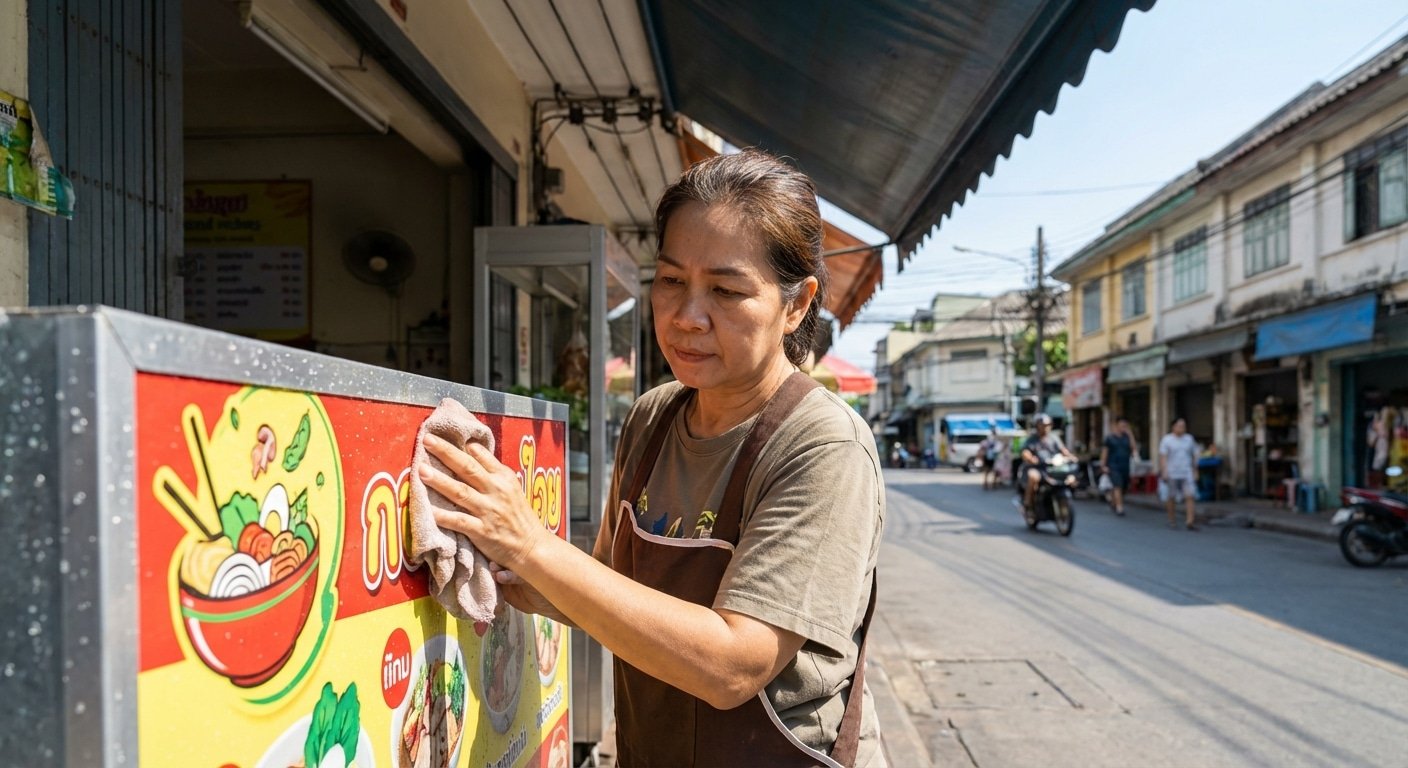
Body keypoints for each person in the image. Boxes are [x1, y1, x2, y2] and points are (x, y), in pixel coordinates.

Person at [421, 150, 886, 766]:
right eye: (670, 281)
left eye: (725, 290)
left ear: (796, 305)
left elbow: (733, 665)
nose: (687, 317)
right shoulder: (653, 417)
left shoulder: (821, 446)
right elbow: (608, 586)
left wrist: (532, 545)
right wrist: (504, 567)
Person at [1020, 414, 1077, 512]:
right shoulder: (1032, 439)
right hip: (1038, 467)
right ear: (1037, 426)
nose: (1045, 427)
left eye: (1047, 425)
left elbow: (1063, 450)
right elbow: (1025, 452)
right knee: (1033, 477)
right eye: (1043, 425)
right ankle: (1028, 502)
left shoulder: (1054, 438)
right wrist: (1031, 458)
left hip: (1053, 468)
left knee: (1071, 476)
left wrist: (1070, 457)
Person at [1159, 416, 1200, 530]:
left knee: (1190, 496)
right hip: (1172, 472)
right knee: (1171, 497)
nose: (1182, 428)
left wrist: (1195, 470)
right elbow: (1163, 456)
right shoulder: (1167, 440)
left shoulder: (1189, 439)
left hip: (1186, 472)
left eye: (1183, 426)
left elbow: (1194, 454)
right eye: (1179, 426)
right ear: (1173, 427)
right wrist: (1164, 471)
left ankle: (1190, 521)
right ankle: (1171, 519)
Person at [1099, 416, 1138, 516]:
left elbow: (1133, 448)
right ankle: (1120, 507)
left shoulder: (1127, 437)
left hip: (1125, 466)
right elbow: (1105, 452)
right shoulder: (1110, 438)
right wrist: (1103, 465)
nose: (1123, 428)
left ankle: (1114, 502)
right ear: (1116, 426)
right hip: (1113, 466)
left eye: (1125, 426)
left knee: (1124, 487)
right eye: (1121, 426)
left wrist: (1130, 434)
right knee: (1117, 485)